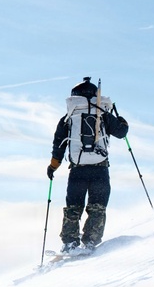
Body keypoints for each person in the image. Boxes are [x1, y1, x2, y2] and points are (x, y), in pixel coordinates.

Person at [47, 77, 129, 253]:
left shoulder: (68, 118)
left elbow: (58, 145)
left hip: (77, 171)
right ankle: (91, 241)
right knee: (97, 207)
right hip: (100, 169)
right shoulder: (103, 114)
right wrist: (122, 121)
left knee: (73, 207)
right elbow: (121, 133)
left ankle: (69, 243)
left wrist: (53, 166)